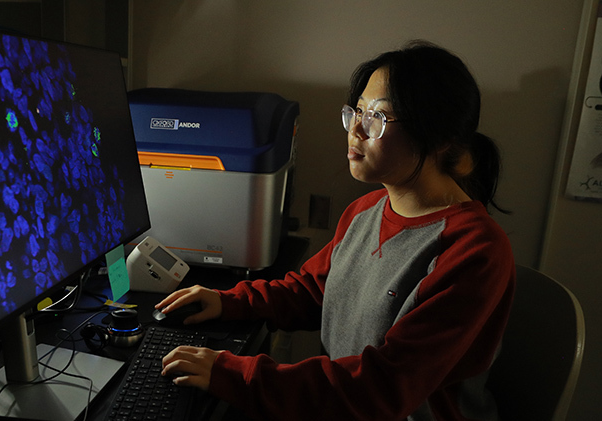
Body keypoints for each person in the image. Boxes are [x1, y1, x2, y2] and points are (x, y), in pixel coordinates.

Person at [156, 40, 515, 421]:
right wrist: (229, 301)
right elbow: (315, 290)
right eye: (356, 111)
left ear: (439, 137)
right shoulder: (366, 211)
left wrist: (234, 374)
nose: (355, 129)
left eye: (377, 116)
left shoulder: (475, 250)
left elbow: (382, 389)